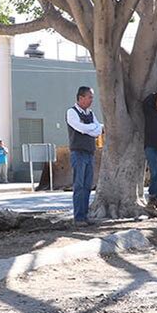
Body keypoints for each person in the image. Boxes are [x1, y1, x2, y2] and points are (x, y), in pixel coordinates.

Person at [66, 86, 104, 226]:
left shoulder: (90, 113)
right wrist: (92, 128)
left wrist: (92, 129)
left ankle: (85, 216)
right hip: (78, 153)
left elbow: (98, 130)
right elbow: (80, 128)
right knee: (79, 185)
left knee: (87, 186)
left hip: (90, 153)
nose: (91, 100)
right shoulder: (71, 112)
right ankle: (78, 217)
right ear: (81, 98)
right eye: (89, 97)